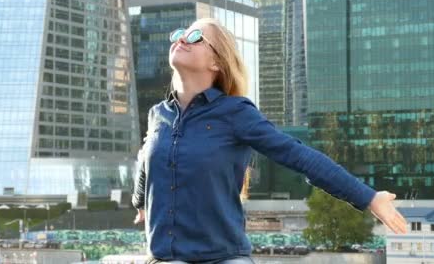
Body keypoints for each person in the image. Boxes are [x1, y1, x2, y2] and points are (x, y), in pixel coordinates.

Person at [131, 18, 407, 264]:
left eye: (194, 37)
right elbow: (146, 157)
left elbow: (299, 157)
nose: (181, 39)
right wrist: (140, 202)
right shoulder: (158, 115)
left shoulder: (235, 113)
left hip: (222, 258)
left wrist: (368, 197)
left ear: (216, 62)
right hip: (164, 258)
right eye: (180, 33)